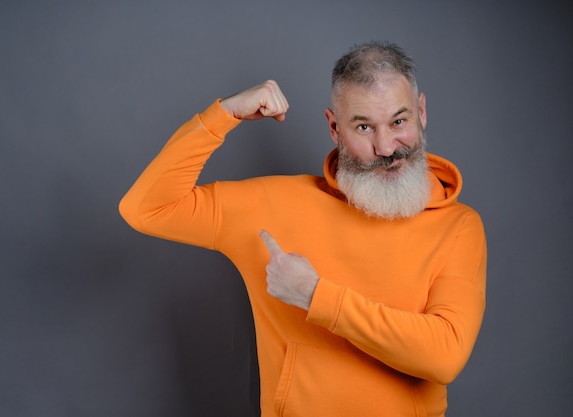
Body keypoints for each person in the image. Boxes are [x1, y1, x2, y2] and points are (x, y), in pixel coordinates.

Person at [119, 41, 487, 417]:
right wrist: (223, 115)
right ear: (334, 128)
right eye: (363, 126)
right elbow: (147, 208)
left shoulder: (458, 227)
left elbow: (445, 355)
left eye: (399, 121)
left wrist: (316, 297)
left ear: (421, 112)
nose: (386, 146)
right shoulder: (274, 205)